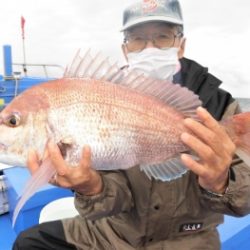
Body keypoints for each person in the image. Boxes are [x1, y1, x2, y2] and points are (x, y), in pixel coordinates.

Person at [13, 0, 250, 249]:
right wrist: (91, 187)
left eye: (162, 36)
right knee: (29, 243)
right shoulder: (108, 94)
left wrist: (220, 182)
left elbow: (243, 201)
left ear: (180, 45)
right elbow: (117, 199)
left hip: (189, 239)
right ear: (125, 50)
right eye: (137, 39)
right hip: (114, 234)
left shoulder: (218, 105)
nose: (150, 48)